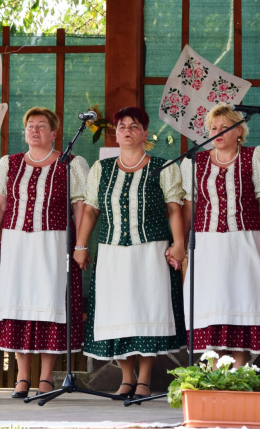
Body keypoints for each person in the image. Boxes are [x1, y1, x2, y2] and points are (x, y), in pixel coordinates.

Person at [75, 107, 186, 400]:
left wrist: (179, 243)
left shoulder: (164, 167)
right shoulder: (102, 168)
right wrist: (81, 245)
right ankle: (126, 379)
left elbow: (175, 208)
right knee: (119, 312)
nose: (127, 131)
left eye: (134, 126)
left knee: (148, 310)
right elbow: (90, 209)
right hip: (113, 252)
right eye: (121, 126)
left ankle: (145, 379)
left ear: (145, 133)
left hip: (151, 251)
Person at [0, 107, 88, 399]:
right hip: (16, 243)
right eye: (30, 125)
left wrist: (80, 244)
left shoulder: (71, 163)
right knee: (18, 302)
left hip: (53, 243)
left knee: (49, 303)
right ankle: (21, 377)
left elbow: (80, 207)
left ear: (54, 134)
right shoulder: (10, 163)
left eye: (42, 126)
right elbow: (0, 206)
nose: (35, 130)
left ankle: (45, 378)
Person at [180, 104, 260, 366]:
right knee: (211, 301)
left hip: (245, 241)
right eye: (213, 128)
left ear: (239, 132)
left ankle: (239, 370)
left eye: (225, 127)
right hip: (206, 243)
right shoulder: (195, 161)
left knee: (243, 297)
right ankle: (215, 371)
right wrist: (180, 243)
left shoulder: (255, 156)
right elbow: (190, 205)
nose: (217, 132)